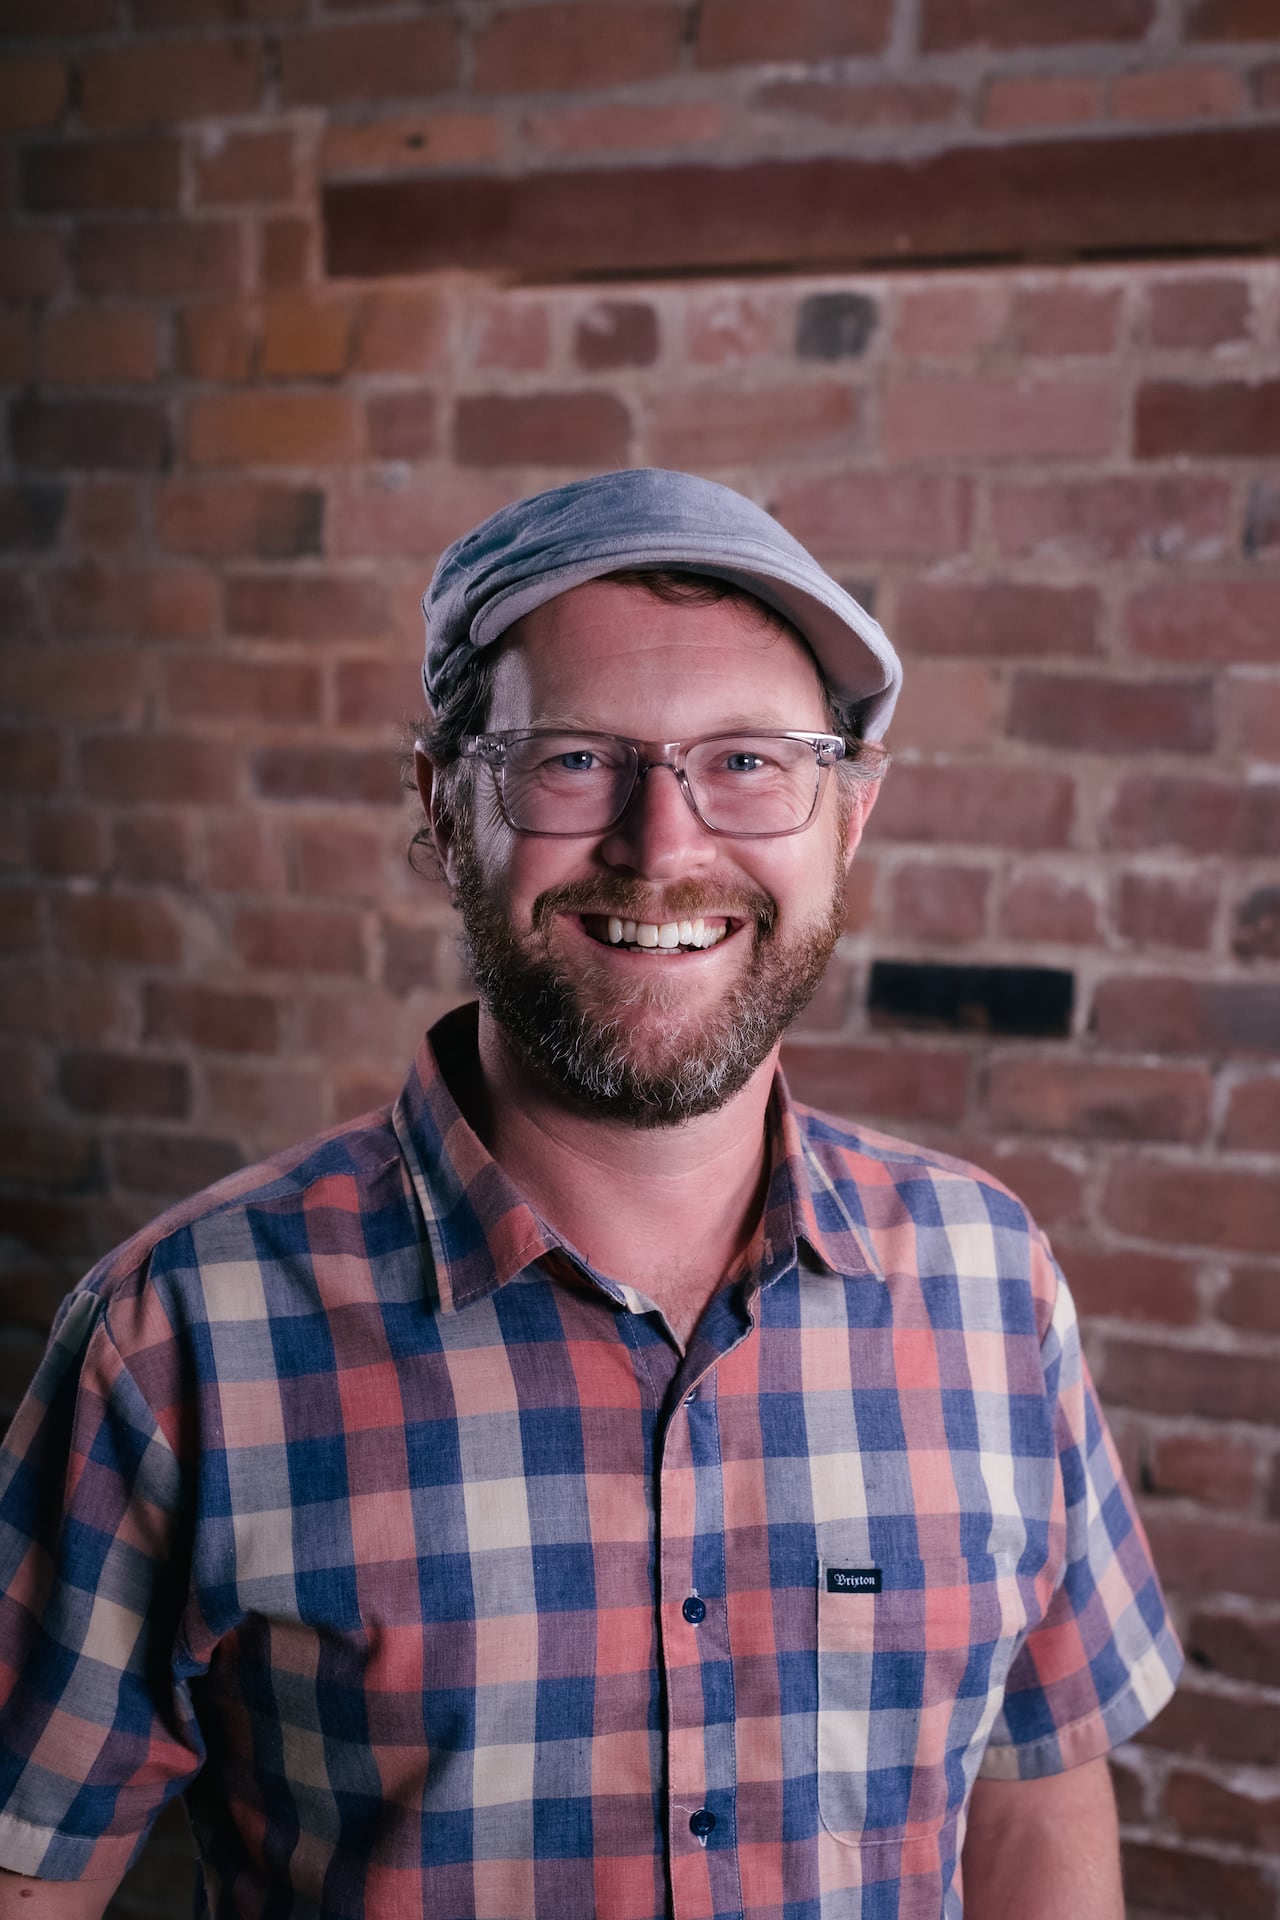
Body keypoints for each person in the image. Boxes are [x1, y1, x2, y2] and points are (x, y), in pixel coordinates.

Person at [0, 470, 1180, 1920]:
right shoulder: (179, 1342)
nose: (665, 846)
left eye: (750, 761)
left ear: (848, 820)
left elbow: (1034, 1802)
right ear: (444, 804)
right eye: (573, 760)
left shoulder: (993, 1286)